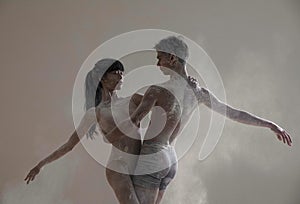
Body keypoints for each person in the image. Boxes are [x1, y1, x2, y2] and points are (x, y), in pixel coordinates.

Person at [105, 36, 292, 204]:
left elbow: (135, 120)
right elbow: (233, 113)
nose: (157, 63)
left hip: (153, 155)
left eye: (159, 57)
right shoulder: (199, 92)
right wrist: (270, 124)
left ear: (172, 58)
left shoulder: (157, 90)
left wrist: (110, 136)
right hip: (170, 161)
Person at [24, 59, 144, 204]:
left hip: (141, 165)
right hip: (118, 166)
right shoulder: (95, 113)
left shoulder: (134, 100)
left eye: (122, 72)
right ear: (102, 78)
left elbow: (162, 108)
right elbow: (69, 145)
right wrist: (40, 165)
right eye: (115, 72)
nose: (121, 76)